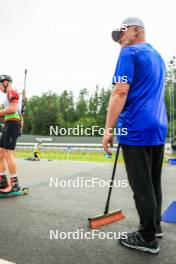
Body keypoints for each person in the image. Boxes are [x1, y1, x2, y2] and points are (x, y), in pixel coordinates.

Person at [102, 17, 168, 254]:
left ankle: (147, 236)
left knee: (141, 185)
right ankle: (155, 226)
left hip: (136, 127)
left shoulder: (129, 54)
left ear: (137, 30)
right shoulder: (158, 57)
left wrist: (108, 129)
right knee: (152, 182)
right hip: (158, 126)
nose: (120, 40)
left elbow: (120, 92)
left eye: (122, 33)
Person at [0, 75, 22, 192]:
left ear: (4, 82)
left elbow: (13, 109)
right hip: (8, 124)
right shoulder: (8, 95)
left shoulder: (12, 92)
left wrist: (0, 112)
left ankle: (15, 184)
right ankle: (2, 182)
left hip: (13, 124)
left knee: (8, 154)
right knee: (1, 153)